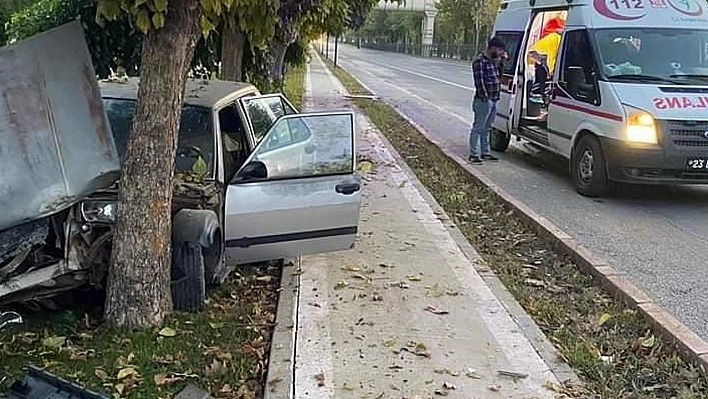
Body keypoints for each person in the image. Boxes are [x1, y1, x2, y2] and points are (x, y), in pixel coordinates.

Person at [469, 37, 507, 164]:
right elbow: (479, 82)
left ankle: (485, 152)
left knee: (487, 128)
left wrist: (502, 62)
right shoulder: (480, 62)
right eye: (500, 50)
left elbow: (498, 78)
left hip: (494, 98)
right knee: (478, 127)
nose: (501, 53)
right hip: (484, 100)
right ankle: (473, 154)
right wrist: (485, 97)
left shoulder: (493, 61)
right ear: (492, 48)